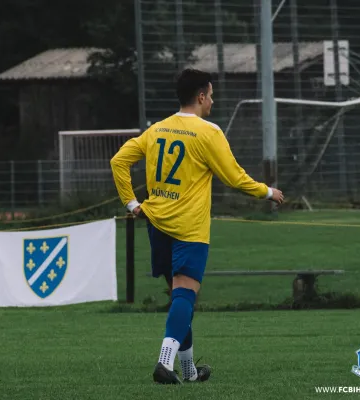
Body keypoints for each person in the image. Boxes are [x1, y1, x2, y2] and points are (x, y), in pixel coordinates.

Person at [110, 68, 284, 385]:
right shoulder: (208, 132)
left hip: (156, 223)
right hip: (189, 228)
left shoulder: (157, 129)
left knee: (180, 296)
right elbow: (234, 177)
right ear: (201, 96)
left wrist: (132, 204)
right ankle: (165, 361)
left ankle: (189, 372)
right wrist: (267, 192)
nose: (213, 101)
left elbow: (118, 161)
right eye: (212, 95)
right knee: (185, 295)